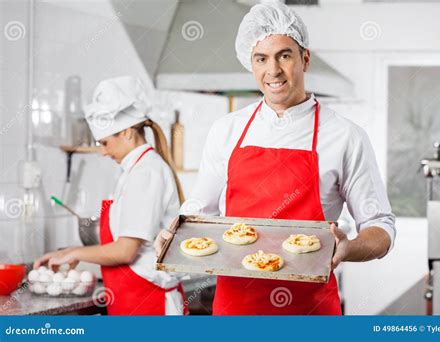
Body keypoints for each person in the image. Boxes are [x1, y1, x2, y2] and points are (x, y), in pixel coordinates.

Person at [156, 1, 396, 315]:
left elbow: (381, 228)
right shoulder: (227, 130)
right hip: (236, 309)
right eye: (261, 58)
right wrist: (177, 233)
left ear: (305, 58)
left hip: (310, 311)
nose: (273, 71)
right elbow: (203, 209)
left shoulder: (345, 135)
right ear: (250, 64)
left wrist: (348, 248)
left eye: (284, 55)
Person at [35, 76, 188, 315]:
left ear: (127, 132)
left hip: (150, 304)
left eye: (105, 143)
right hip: (132, 300)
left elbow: (126, 250)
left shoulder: (146, 171)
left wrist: (72, 252)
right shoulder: (135, 170)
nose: (103, 152)